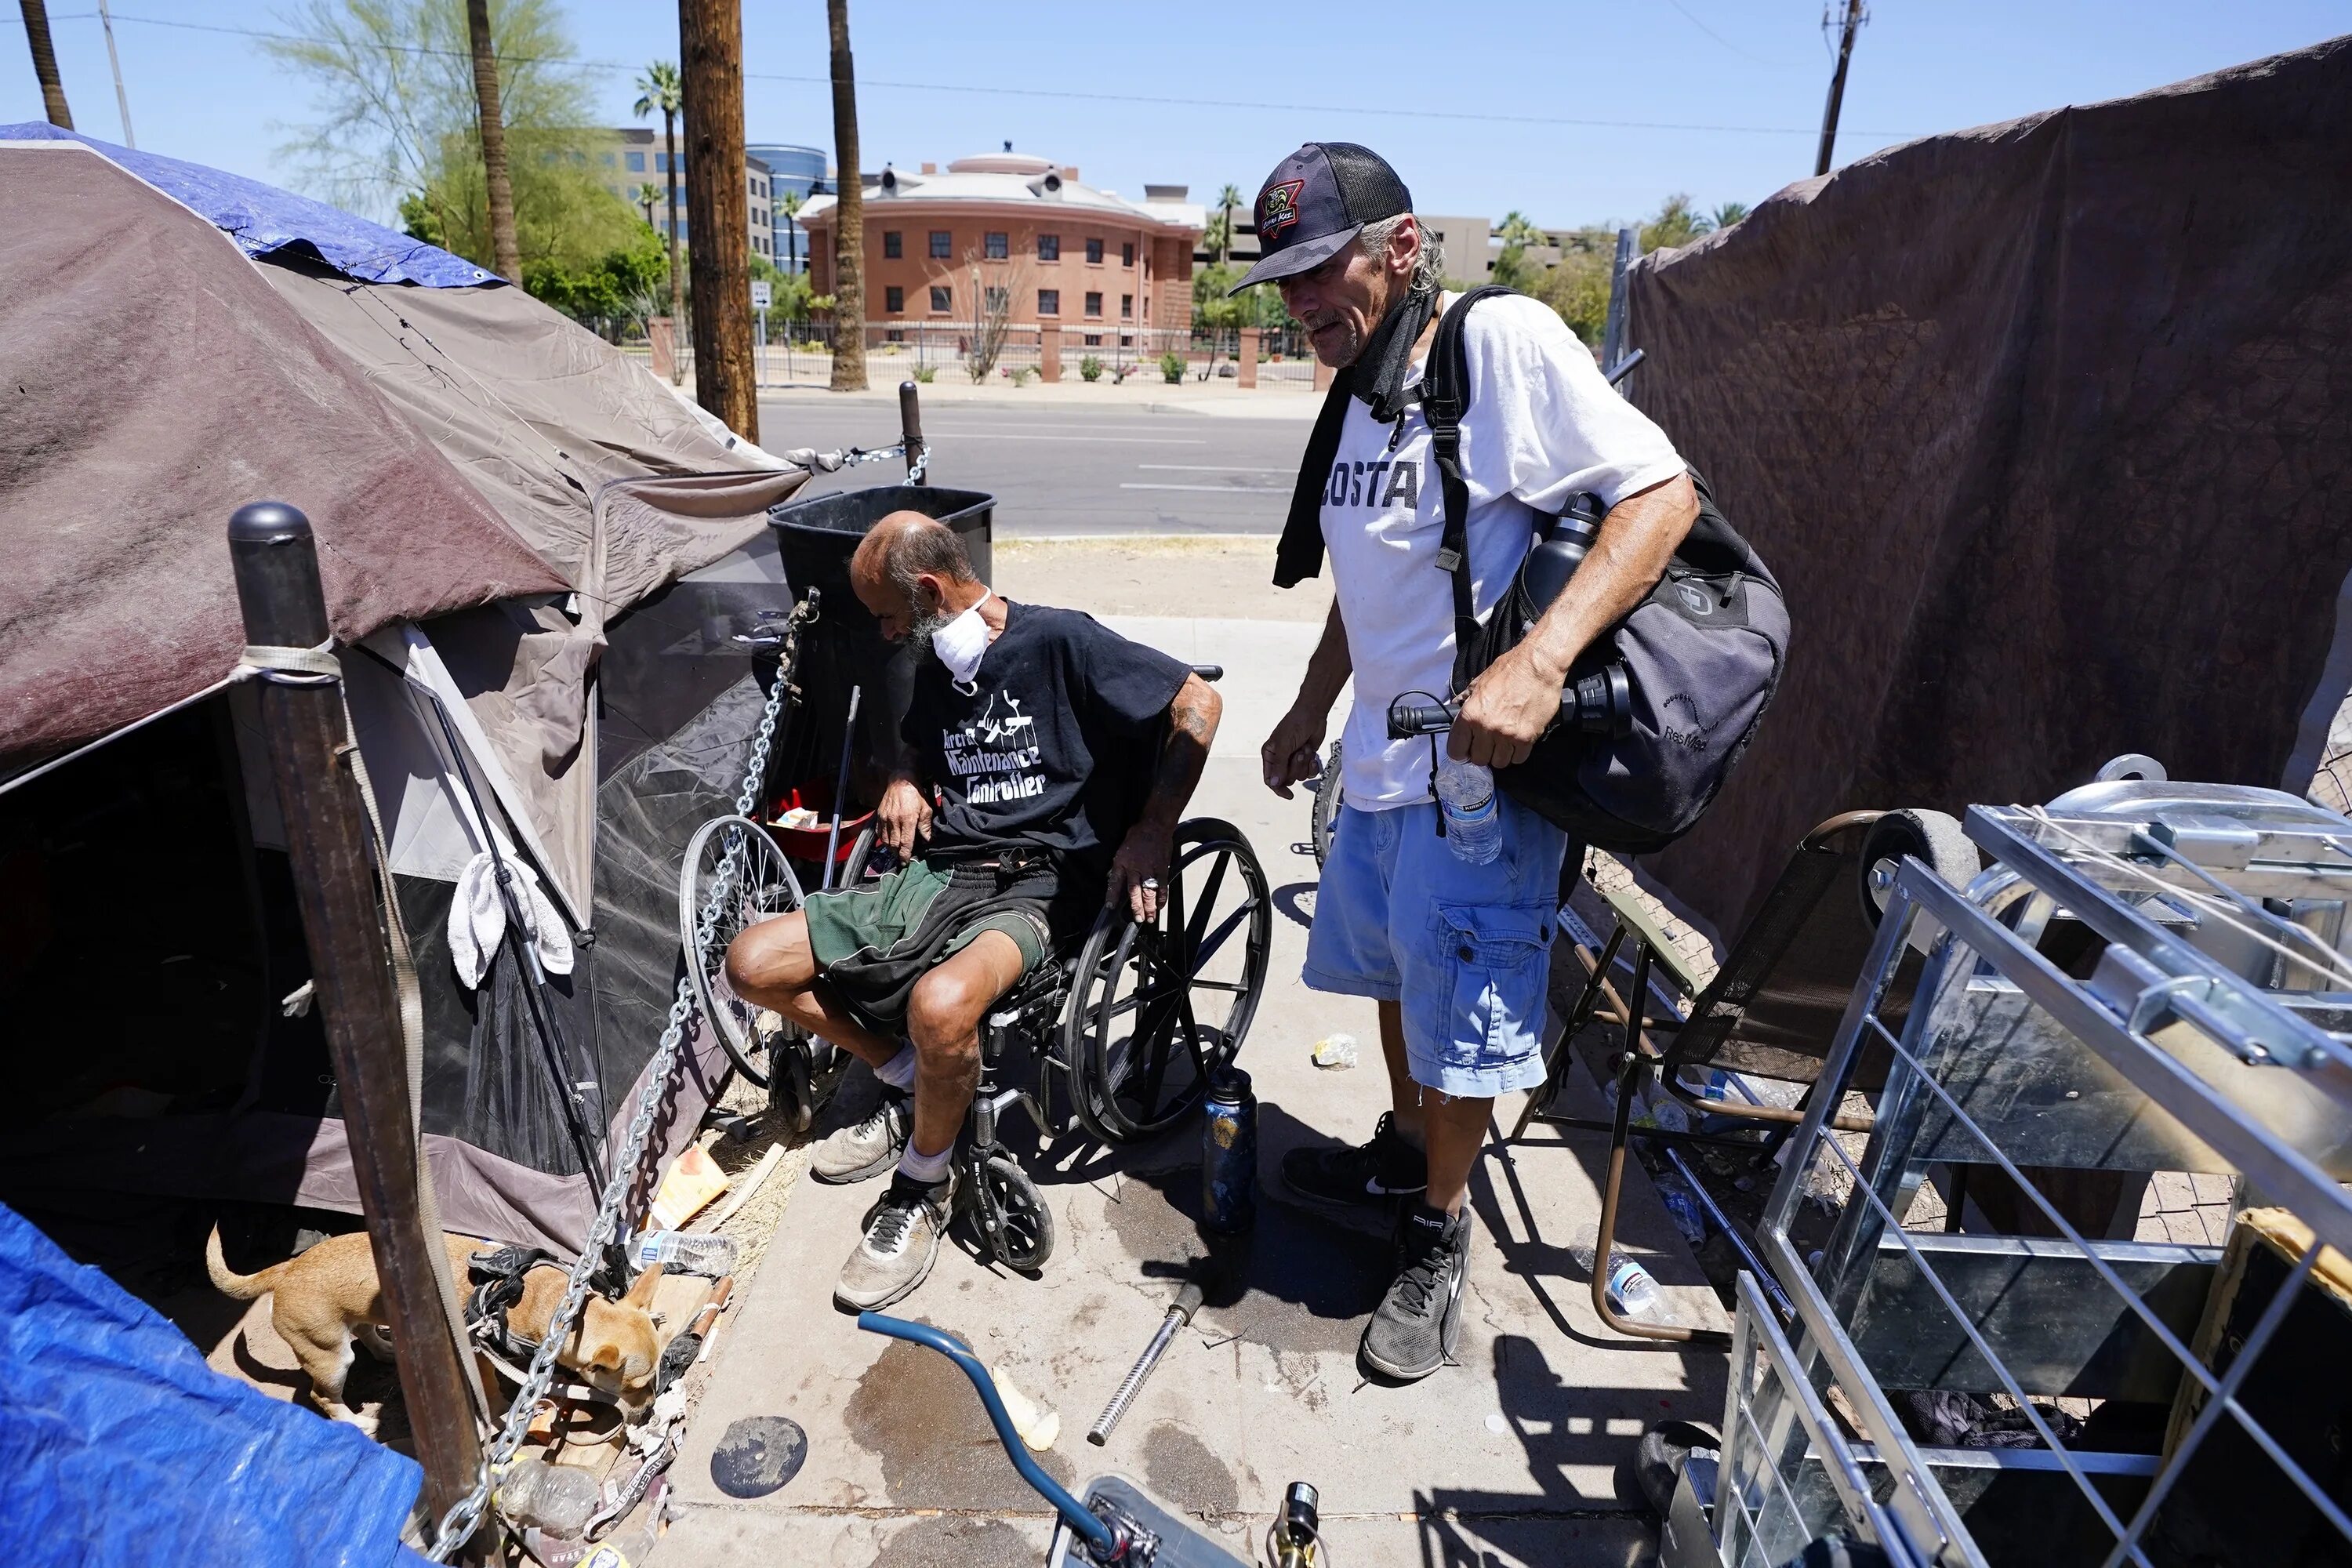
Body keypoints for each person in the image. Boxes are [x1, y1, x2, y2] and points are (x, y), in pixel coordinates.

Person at [1243, 143, 1700, 1381]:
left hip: (1476, 795)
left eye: (1314, 270)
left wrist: (1542, 661)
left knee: (1463, 1028)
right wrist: (1310, 706)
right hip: (1382, 775)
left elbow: (1660, 495)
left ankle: (1439, 1234)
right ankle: (1404, 1153)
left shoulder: (1496, 345)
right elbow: (1375, 573)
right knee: (1402, 991)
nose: (1296, 305)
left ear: (1401, 247)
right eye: (1277, 281)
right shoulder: (1361, 378)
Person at [726, 513, 1221, 1311]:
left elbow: (1198, 704)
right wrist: (905, 779)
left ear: (927, 591)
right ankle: (906, 1071)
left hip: (1041, 886)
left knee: (941, 1000)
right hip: (947, 872)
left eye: (887, 615)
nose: (885, 633)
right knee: (753, 961)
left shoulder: (1061, 642)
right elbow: (922, 751)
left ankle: (925, 1179)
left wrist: (1153, 828)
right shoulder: (935, 668)